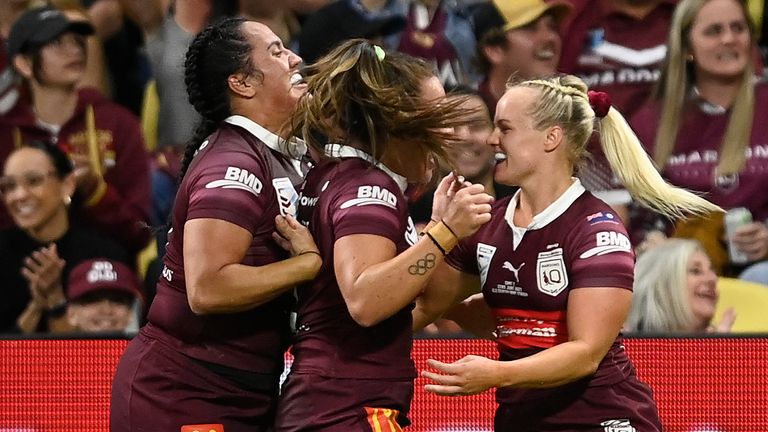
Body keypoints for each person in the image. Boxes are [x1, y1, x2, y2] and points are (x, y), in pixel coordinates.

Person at [413, 74, 722, 431]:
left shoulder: (597, 230)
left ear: (551, 137)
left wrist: (497, 372)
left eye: (505, 128)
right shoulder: (487, 223)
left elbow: (585, 354)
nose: (491, 139)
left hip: (599, 417)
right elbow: (432, 305)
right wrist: (440, 230)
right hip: (522, 418)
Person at [110, 18, 321, 431]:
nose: (295, 58)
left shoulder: (281, 151)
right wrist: (306, 264)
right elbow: (208, 289)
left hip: (241, 387)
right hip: (184, 394)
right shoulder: (233, 164)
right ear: (242, 82)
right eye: (276, 52)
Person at [274, 40, 494, 431]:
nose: (447, 132)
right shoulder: (367, 190)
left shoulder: (340, 174)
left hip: (334, 399)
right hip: (345, 408)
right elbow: (366, 301)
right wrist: (444, 233)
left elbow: (396, 314)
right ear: (398, 120)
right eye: (436, 116)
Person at [630, 0, 768, 276]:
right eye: (714, 31)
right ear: (687, 48)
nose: (729, 39)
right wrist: (650, 245)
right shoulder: (649, 121)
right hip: (680, 275)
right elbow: (639, 216)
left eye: (738, 28)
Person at [1, 6, 151, 257]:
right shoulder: (6, 134)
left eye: (77, 41)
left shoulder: (118, 124)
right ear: (24, 63)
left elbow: (139, 233)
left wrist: (95, 190)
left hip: (103, 272)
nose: (74, 50)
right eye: (56, 43)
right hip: (21, 272)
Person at [0, 141, 129, 334]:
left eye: (33, 181)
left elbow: (102, 348)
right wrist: (36, 306)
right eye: (9, 186)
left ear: (67, 185)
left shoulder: (103, 255)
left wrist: (55, 301)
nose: (19, 195)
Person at [469, 0, 572, 115]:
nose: (551, 37)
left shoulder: (572, 117)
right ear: (495, 50)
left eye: (552, 27)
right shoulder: (468, 122)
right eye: (530, 28)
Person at [625, 239, 736, 333]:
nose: (713, 278)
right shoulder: (622, 350)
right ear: (662, 288)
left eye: (712, 270)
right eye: (695, 271)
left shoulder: (724, 349)